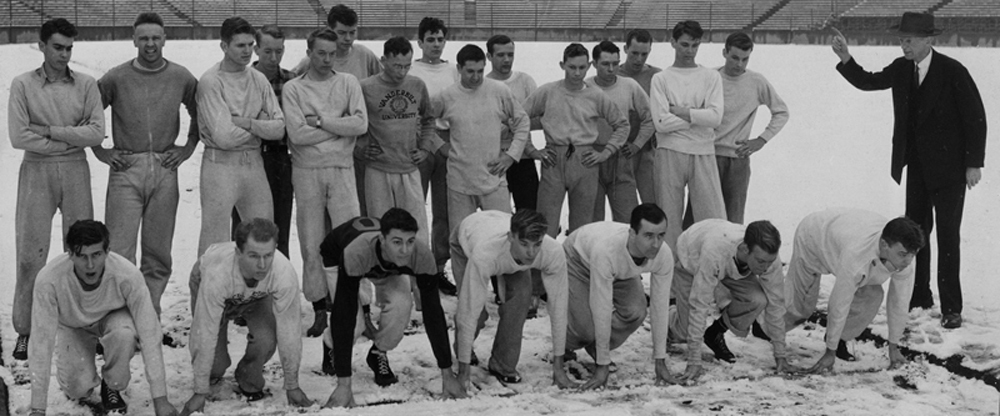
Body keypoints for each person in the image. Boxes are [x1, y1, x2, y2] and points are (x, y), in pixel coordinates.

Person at [832, 12, 987, 329]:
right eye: (901, 39)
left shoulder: (953, 71)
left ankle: (952, 307)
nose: (904, 45)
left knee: (948, 236)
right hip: (916, 167)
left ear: (928, 40)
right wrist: (846, 57)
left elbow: (975, 117)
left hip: (950, 171)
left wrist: (973, 163)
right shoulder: (901, 69)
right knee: (916, 236)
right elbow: (870, 81)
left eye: (910, 40)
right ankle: (920, 296)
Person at [9, 18, 105, 360]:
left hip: (76, 170)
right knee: (29, 254)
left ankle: (83, 326)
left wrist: (49, 130)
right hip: (36, 170)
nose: (64, 54)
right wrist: (67, 138)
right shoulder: (22, 85)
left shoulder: (86, 85)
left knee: (84, 250)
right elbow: (19, 136)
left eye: (69, 48)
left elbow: (96, 133)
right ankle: (25, 329)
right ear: (42, 46)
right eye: (57, 47)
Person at [95, 12, 198, 320]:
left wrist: (187, 148)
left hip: (165, 167)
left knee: (158, 253)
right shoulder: (116, 77)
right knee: (119, 251)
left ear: (165, 39)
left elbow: (200, 113)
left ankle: (148, 315)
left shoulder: (181, 76)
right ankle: (120, 317)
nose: (150, 44)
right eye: (144, 38)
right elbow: (88, 112)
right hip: (127, 166)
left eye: (155, 37)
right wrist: (99, 149)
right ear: (134, 40)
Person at [27, 220, 176, 416]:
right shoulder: (49, 279)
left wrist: (160, 398)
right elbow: (41, 341)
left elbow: (150, 332)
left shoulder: (127, 274)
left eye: (96, 255)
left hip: (113, 318)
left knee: (124, 334)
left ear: (107, 251)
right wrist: (38, 407)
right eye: (82, 256)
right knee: (77, 388)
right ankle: (81, 380)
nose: (90, 265)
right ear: (70, 254)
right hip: (73, 326)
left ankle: (112, 384)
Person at [321, 209, 465, 407]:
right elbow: (343, 315)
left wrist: (447, 375)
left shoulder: (420, 254)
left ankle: (377, 353)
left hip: (387, 266)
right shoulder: (356, 252)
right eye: (397, 242)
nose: (405, 250)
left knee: (402, 305)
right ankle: (330, 344)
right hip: (338, 257)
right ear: (382, 239)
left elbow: (434, 314)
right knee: (353, 323)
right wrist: (344, 385)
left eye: (410, 241)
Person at [281, 28, 367, 345]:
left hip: (342, 169)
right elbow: (297, 135)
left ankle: (361, 308)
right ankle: (319, 306)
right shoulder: (294, 88)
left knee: (352, 239)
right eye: (321, 53)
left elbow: (360, 124)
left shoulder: (347, 83)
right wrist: (338, 127)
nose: (327, 59)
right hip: (307, 171)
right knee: (311, 240)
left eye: (332, 53)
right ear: (309, 51)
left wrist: (319, 122)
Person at [181, 218, 312, 415]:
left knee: (267, 339)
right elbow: (204, 332)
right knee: (215, 365)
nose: (262, 265)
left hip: (256, 297)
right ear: (238, 253)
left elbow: (290, 329)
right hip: (211, 286)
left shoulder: (283, 271)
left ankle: (247, 373)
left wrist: (292, 384)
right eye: (253, 256)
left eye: (268, 255)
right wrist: (200, 391)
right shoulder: (218, 274)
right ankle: (212, 374)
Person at [784, 208, 924, 373]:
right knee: (802, 306)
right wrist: (829, 352)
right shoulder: (856, 255)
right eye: (903, 255)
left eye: (912, 255)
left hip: (845, 233)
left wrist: (894, 347)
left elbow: (899, 302)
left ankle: (840, 339)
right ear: (885, 245)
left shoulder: (904, 255)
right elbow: (839, 302)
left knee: (873, 295)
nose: (908, 261)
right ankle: (765, 327)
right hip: (814, 236)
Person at [193, 16, 283, 262]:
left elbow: (279, 128)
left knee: (263, 232)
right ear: (224, 46)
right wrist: (260, 124)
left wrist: (245, 122)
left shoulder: (258, 79)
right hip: (220, 165)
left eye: (250, 45)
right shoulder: (211, 82)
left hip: (253, 163)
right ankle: (207, 297)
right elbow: (224, 137)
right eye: (239, 45)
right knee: (215, 238)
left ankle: (258, 295)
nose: (247, 51)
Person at [451, 210, 573, 388]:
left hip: (505, 247)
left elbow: (559, 308)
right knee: (475, 313)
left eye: (537, 244)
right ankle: (462, 349)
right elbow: (468, 311)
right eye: (524, 244)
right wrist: (463, 374)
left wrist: (559, 369)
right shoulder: (484, 254)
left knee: (521, 299)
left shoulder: (551, 251)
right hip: (468, 236)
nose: (531, 252)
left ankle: (501, 364)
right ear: (511, 237)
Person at [562, 204, 676, 389]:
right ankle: (564, 347)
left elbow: (660, 308)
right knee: (585, 329)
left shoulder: (663, 254)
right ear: (632, 233)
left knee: (636, 311)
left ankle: (597, 348)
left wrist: (660, 360)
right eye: (648, 236)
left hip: (618, 267)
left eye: (660, 236)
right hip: (578, 258)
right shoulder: (607, 251)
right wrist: (602, 366)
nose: (656, 244)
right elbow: (601, 307)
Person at [670, 218, 795, 383]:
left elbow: (776, 304)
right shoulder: (714, 251)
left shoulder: (766, 259)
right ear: (745, 249)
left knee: (757, 300)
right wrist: (694, 359)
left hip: (728, 260)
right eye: (761, 262)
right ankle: (668, 317)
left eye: (769, 262)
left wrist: (780, 355)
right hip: (691, 256)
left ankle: (714, 333)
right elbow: (700, 304)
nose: (765, 268)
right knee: (684, 331)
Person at [524, 43, 629, 237]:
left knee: (582, 227)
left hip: (585, 160)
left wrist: (605, 152)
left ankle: (577, 266)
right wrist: (532, 151)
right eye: (572, 67)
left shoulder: (596, 95)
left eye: (582, 67)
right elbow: (520, 119)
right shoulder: (547, 92)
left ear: (589, 65)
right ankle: (544, 266)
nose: (577, 72)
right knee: (545, 224)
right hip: (553, 158)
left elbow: (622, 125)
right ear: (562, 65)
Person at [684, 32, 788, 227]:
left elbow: (781, 112)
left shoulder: (757, 81)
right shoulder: (709, 78)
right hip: (707, 157)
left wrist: (761, 140)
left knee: (732, 221)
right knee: (696, 218)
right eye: (734, 58)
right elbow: (692, 113)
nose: (739, 64)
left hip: (738, 160)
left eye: (745, 59)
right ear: (724, 52)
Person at [433, 44, 530, 230]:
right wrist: (439, 146)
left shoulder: (499, 91)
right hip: (459, 183)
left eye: (480, 71)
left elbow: (522, 121)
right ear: (459, 68)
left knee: (502, 235)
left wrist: (511, 156)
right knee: (459, 238)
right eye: (470, 71)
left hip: (494, 179)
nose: (476, 77)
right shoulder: (446, 96)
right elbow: (424, 122)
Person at [649, 20, 725, 252]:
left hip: (702, 151)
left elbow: (715, 118)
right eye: (684, 45)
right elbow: (661, 123)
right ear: (673, 43)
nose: (689, 51)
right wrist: (698, 116)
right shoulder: (661, 79)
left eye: (694, 45)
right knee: (668, 217)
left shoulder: (711, 77)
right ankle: (670, 275)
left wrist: (681, 111)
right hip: (669, 152)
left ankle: (713, 271)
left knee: (713, 217)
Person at [360, 36, 441, 249]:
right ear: (383, 60)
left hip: (409, 167)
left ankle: (418, 280)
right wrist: (361, 147)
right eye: (397, 66)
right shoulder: (366, 87)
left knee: (416, 227)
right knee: (380, 228)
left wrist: (424, 148)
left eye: (407, 66)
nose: (402, 71)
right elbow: (355, 123)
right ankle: (387, 279)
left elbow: (429, 119)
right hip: (378, 169)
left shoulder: (416, 85)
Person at [410, 17, 460, 281]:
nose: (436, 44)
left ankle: (439, 268)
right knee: (415, 206)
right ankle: (413, 264)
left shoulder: (453, 70)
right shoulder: (412, 70)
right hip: (419, 141)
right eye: (430, 39)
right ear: (420, 42)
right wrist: (430, 142)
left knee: (444, 210)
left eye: (440, 39)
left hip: (447, 143)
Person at [585, 40, 654, 223]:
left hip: (620, 159)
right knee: (593, 222)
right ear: (594, 64)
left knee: (628, 220)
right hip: (591, 158)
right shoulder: (585, 87)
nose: (611, 69)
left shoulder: (629, 86)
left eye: (615, 64)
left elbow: (650, 117)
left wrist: (637, 145)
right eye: (605, 64)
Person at [486, 34, 543, 211]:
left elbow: (541, 119)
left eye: (510, 55)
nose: (506, 59)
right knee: (496, 216)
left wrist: (518, 126)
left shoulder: (525, 81)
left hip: (522, 157)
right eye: (501, 55)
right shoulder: (483, 84)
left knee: (528, 212)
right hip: (494, 158)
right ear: (489, 56)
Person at [618, 29, 661, 205]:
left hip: (648, 151)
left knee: (653, 204)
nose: (639, 59)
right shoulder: (613, 75)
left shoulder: (657, 76)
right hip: (620, 151)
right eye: (634, 53)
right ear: (625, 49)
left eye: (644, 54)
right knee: (625, 208)